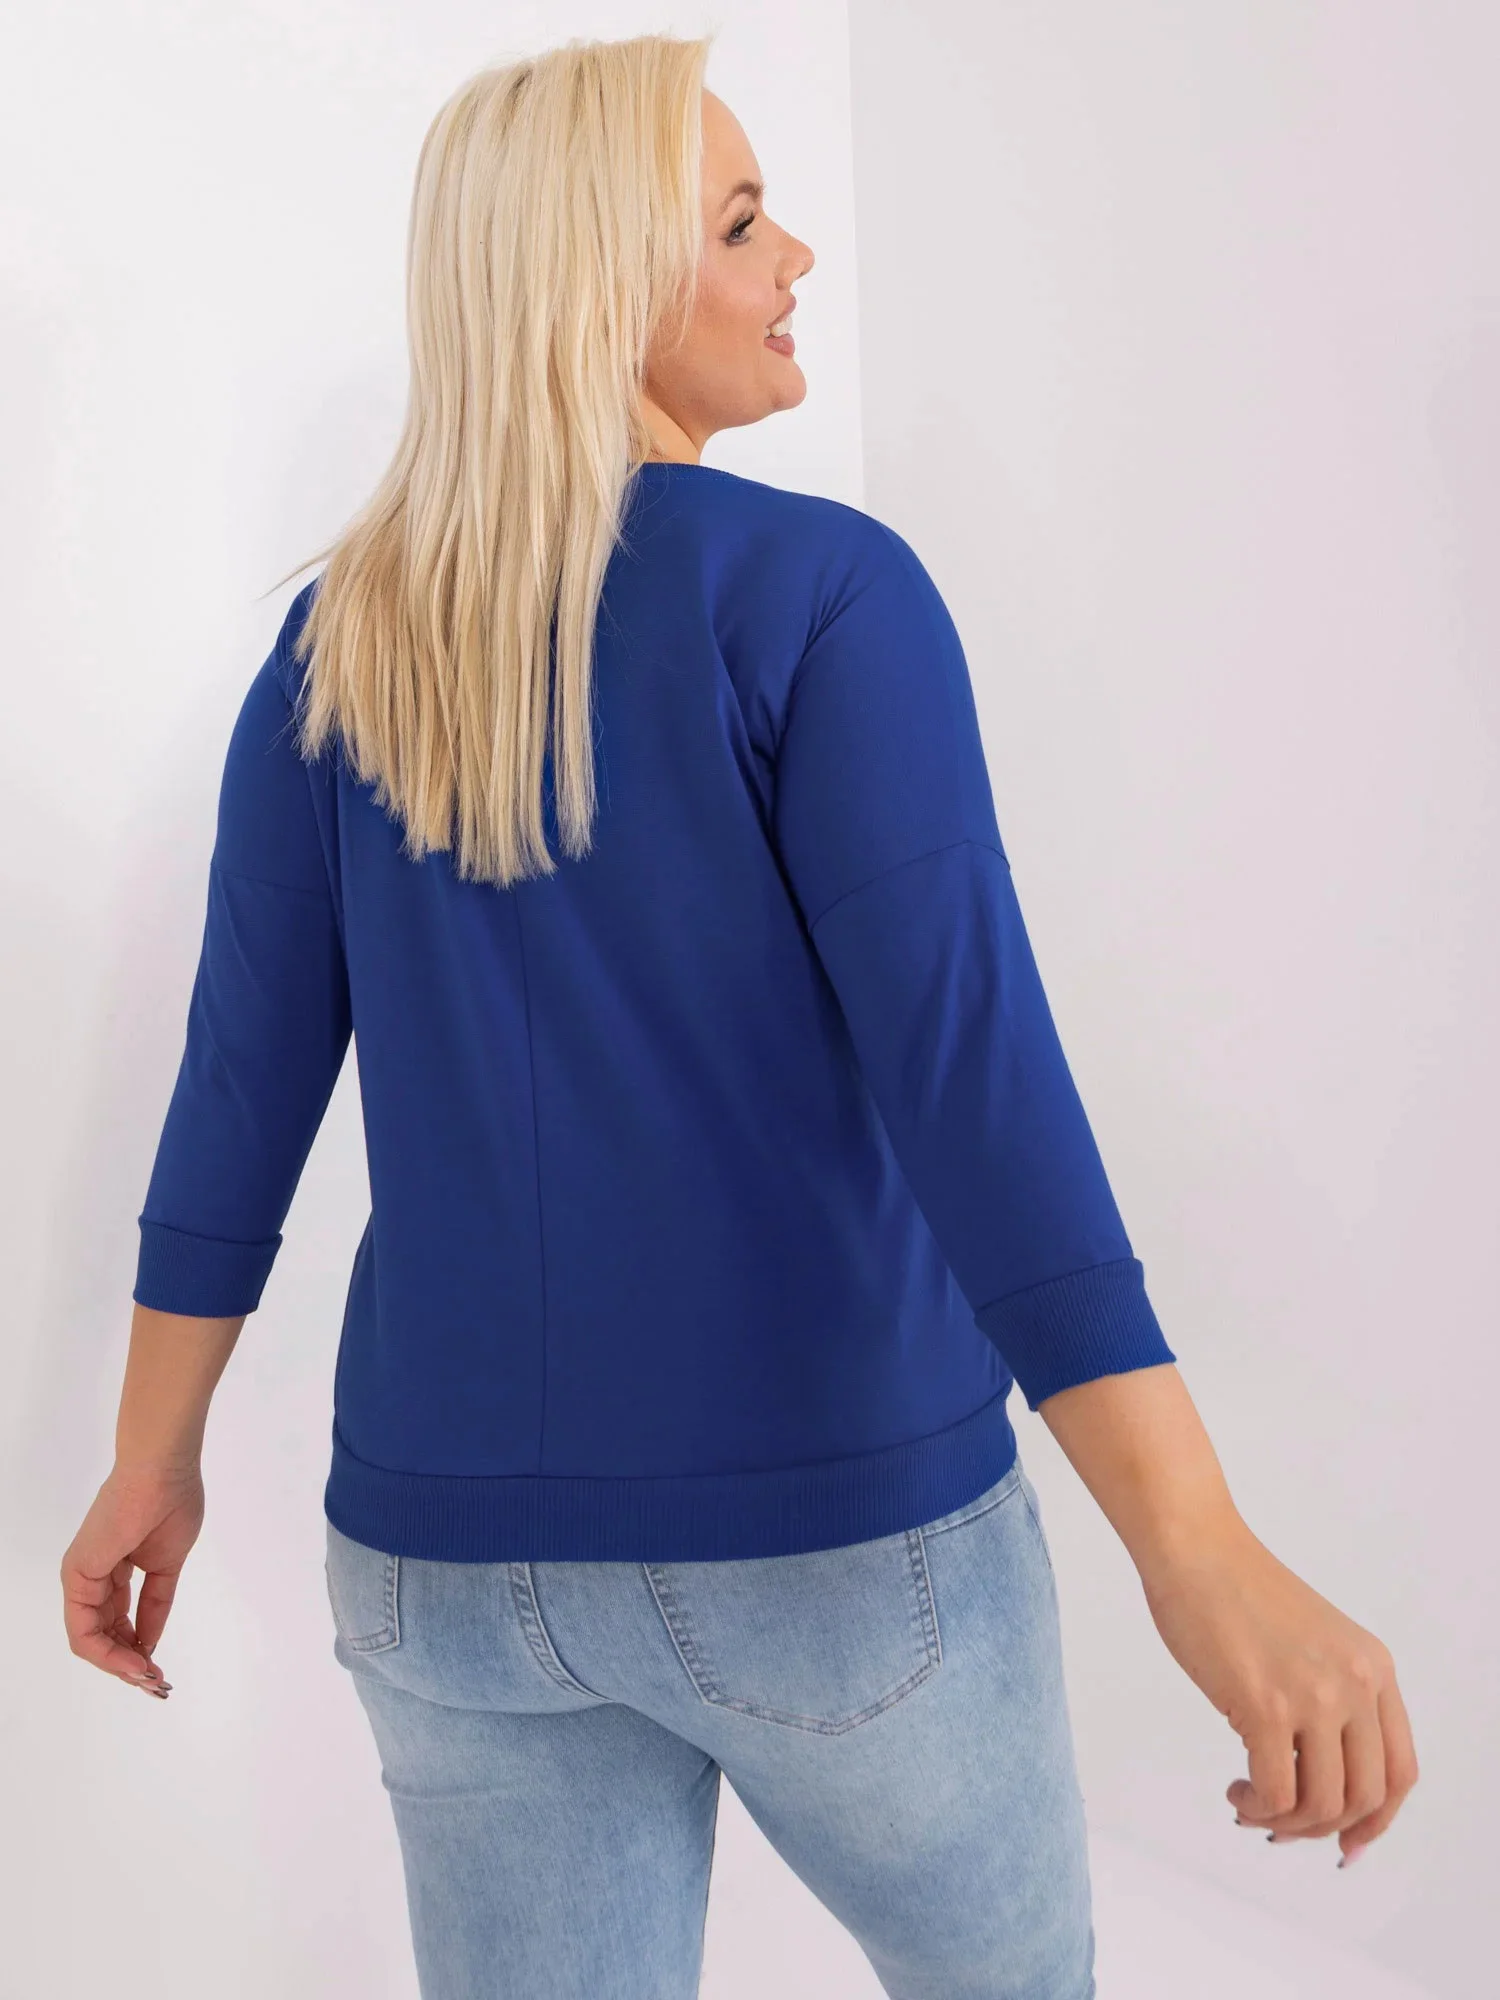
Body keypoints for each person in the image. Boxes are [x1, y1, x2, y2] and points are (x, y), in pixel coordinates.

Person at [60, 31, 1418, 2000]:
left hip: (447, 1576)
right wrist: (1196, 1546)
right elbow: (976, 1084)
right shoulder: (824, 596)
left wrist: (149, 1454)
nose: (796, 260)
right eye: (739, 223)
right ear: (600, 280)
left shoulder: (338, 644)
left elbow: (236, 1096)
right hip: (835, 1544)